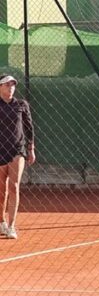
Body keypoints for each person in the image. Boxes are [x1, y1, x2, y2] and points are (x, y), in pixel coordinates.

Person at [0, 74, 35, 240]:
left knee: (14, 186)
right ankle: (1, 222)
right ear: (0, 87)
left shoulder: (21, 104)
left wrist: (31, 148)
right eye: (7, 85)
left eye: (13, 85)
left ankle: (12, 226)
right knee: (1, 190)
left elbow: (29, 128)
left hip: (17, 150)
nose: (11, 87)